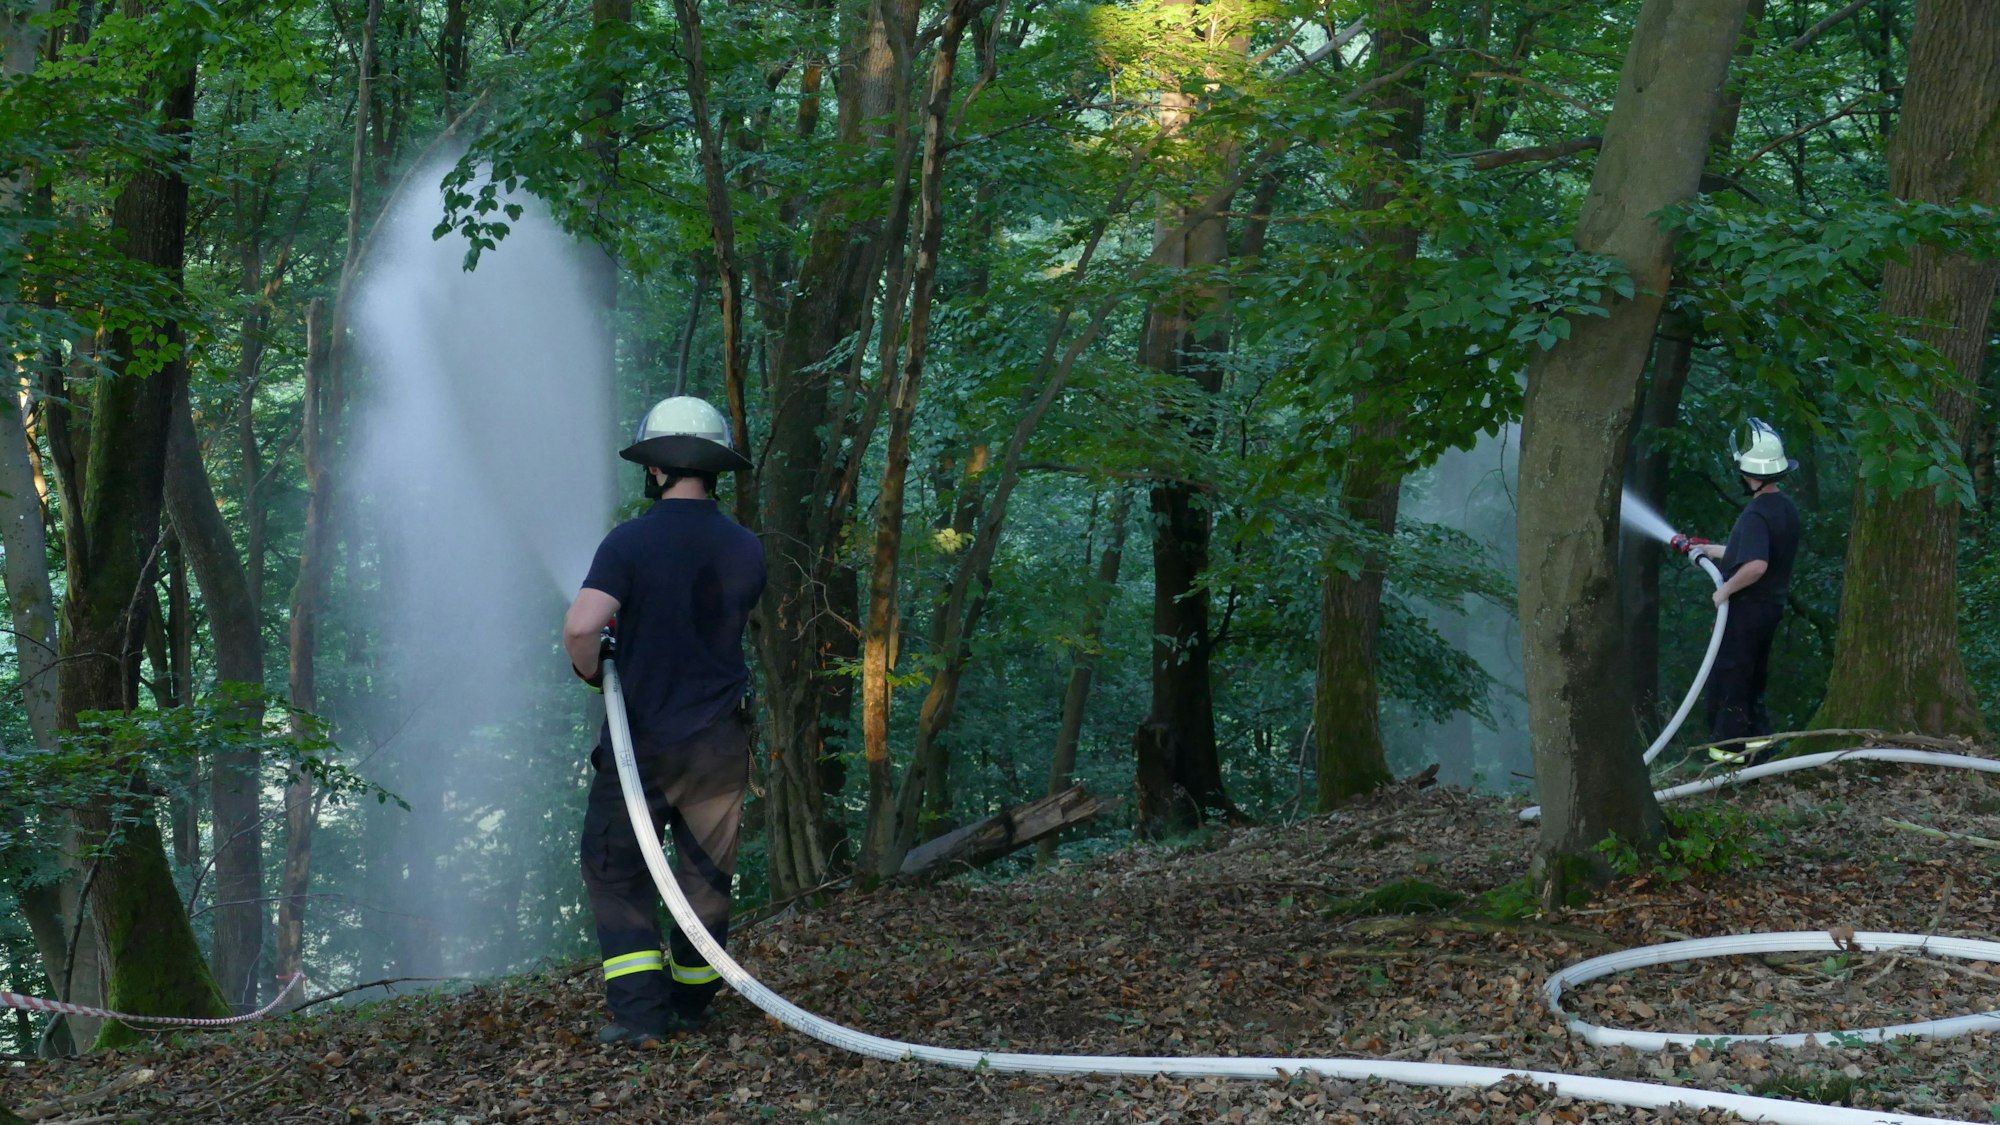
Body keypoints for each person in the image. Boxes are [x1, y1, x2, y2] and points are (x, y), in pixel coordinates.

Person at [563, 396, 764, 1047]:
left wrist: (593, 668)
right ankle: (693, 1001)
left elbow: (583, 625)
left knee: (616, 870)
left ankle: (641, 1017)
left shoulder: (629, 542)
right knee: (704, 876)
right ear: (714, 468)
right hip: (719, 741)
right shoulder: (745, 547)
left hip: (640, 746)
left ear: (654, 469)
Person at [1693, 418, 1802, 766]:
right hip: (1768, 611)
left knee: (1730, 682)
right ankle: (1760, 754)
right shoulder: (1784, 509)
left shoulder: (1756, 513)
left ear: (1749, 472)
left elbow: (1756, 565)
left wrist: (1723, 592)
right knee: (1752, 681)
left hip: (1745, 612)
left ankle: (1728, 761)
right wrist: (1714, 550)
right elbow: (1755, 551)